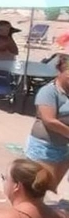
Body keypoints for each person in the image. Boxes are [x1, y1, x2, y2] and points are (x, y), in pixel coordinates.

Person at [24, 56, 69, 192]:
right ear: (60, 71)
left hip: (63, 148)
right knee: (37, 187)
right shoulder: (48, 91)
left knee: (51, 186)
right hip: (44, 148)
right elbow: (50, 121)